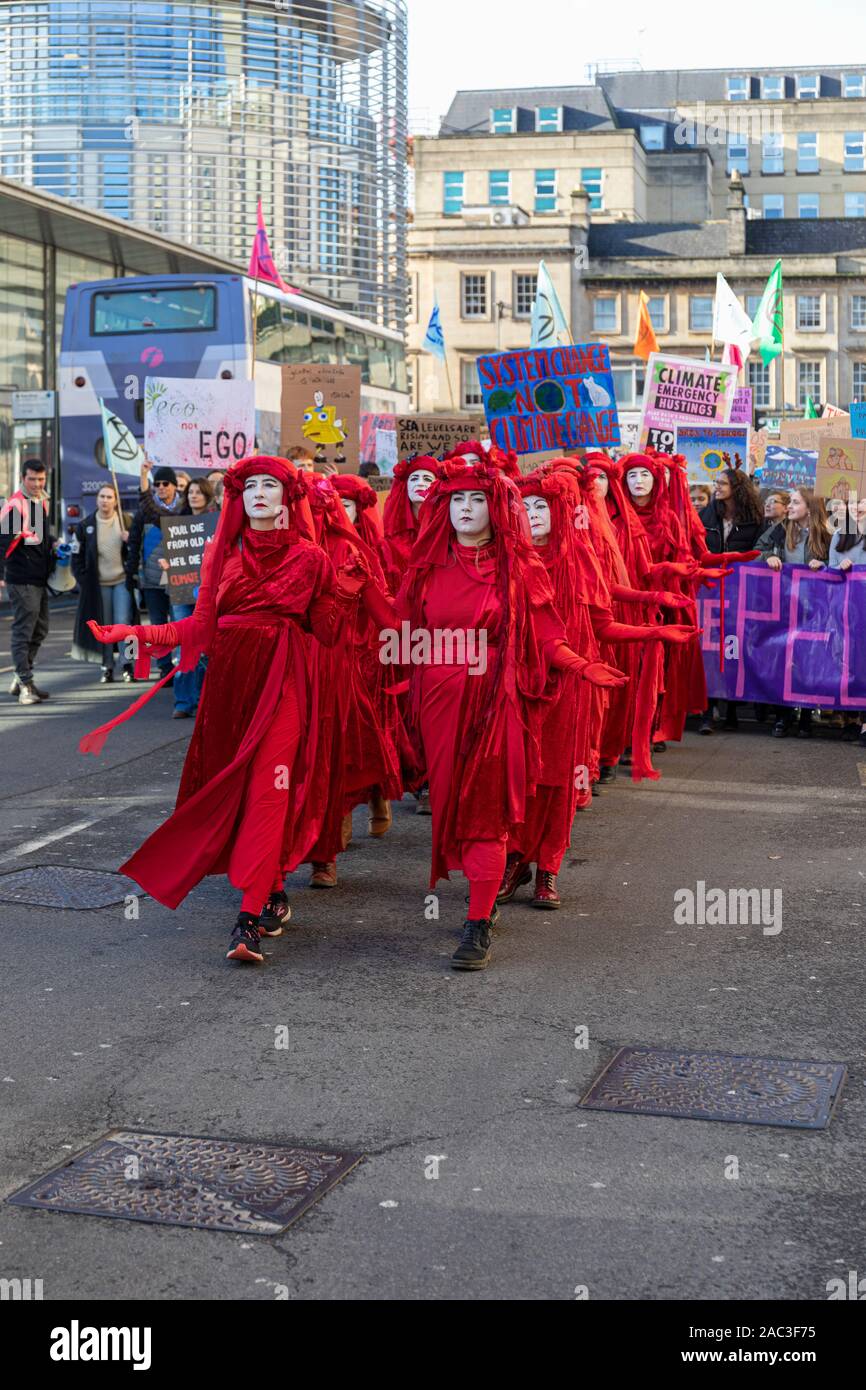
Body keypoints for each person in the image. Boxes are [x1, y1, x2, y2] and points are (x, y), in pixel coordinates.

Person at [82, 456, 362, 964]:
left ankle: (248, 917)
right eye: (249, 484)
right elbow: (199, 627)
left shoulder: (311, 559)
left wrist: (346, 593)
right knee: (233, 790)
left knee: (270, 792)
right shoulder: (222, 556)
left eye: (269, 484)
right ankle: (271, 885)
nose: (258, 492)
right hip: (230, 689)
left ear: (286, 497)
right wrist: (138, 633)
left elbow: (327, 631)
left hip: (284, 685)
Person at [351, 459, 627, 972]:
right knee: (455, 803)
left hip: (497, 702)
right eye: (457, 499)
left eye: (476, 499)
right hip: (437, 702)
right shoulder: (427, 566)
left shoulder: (520, 566)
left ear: (496, 507)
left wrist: (581, 665)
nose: (466, 509)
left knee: (488, 809)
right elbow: (401, 626)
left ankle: (478, 922)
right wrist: (366, 591)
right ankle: (483, 899)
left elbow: (547, 634)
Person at [501, 467, 695, 908]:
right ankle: (515, 858)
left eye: (540, 506)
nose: (532, 514)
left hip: (573, 683)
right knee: (519, 777)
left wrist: (655, 632)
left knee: (559, 782)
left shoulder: (580, 557)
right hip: (517, 685)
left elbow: (603, 625)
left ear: (558, 510)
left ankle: (548, 868)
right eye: (525, 506)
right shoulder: (506, 560)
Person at [758, 488, 831, 739]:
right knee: (783, 661)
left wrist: (823, 566)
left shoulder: (825, 534)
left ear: (809, 508)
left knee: (809, 662)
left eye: (795, 503)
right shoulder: (782, 529)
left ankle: (806, 717)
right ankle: (782, 716)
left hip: (814, 609)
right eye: (789, 502)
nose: (789, 507)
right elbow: (758, 548)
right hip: (785, 606)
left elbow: (839, 561)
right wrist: (768, 557)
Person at [697, 468, 765, 734]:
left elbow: (760, 549)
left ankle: (733, 710)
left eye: (722, 483)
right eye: (716, 482)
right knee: (709, 651)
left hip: (740, 592)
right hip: (710, 590)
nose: (717, 487)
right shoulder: (707, 514)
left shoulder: (755, 518)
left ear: (737, 488)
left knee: (735, 648)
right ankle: (707, 712)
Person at [125, 466, 190, 685]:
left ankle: (183, 666)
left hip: (179, 577)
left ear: (174, 486)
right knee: (158, 625)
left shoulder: (185, 509)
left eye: (165, 484)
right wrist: (131, 571)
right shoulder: (145, 512)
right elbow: (134, 542)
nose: (161, 488)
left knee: (179, 623)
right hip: (152, 578)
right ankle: (165, 668)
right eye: (157, 484)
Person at [0, 459, 56, 705]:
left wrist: (53, 543)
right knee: (24, 631)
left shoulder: (39, 501)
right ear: (23, 478)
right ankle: (25, 684)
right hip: (21, 578)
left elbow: (37, 536)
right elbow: (3, 543)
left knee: (40, 629)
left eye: (41, 479)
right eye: (32, 479)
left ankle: (21, 677)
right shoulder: (15, 506)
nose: (36, 483)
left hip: (37, 578)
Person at [71, 484, 136, 683]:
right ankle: (106, 666)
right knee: (105, 627)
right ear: (97, 499)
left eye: (109, 497)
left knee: (125, 624)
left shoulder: (126, 522)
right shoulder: (84, 526)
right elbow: (76, 557)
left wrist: (130, 541)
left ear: (116, 501)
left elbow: (136, 550)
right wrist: (85, 582)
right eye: (102, 496)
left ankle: (128, 664)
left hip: (122, 582)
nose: (105, 500)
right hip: (99, 585)